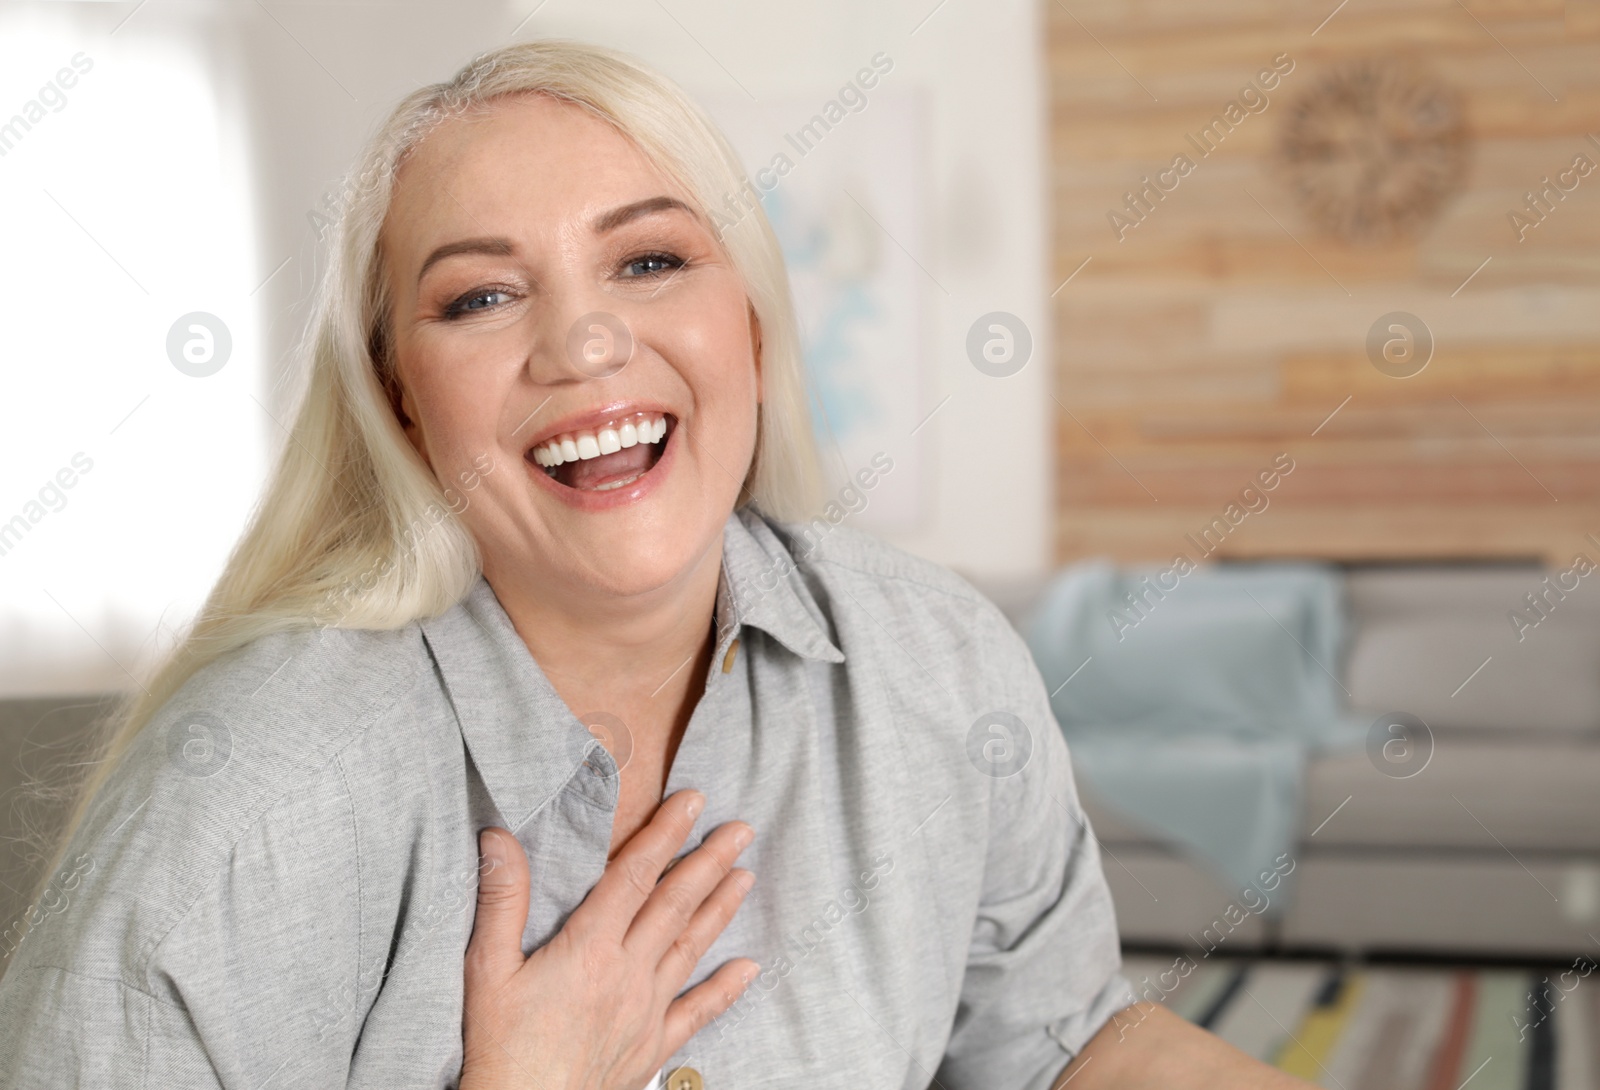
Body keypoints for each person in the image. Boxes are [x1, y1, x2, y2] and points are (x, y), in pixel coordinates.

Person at [0, 38, 1313, 1090]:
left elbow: (1064, 1051)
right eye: (479, 295)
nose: (583, 343)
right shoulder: (255, 792)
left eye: (648, 259)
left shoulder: (941, 657)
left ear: (746, 316)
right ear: (403, 403)